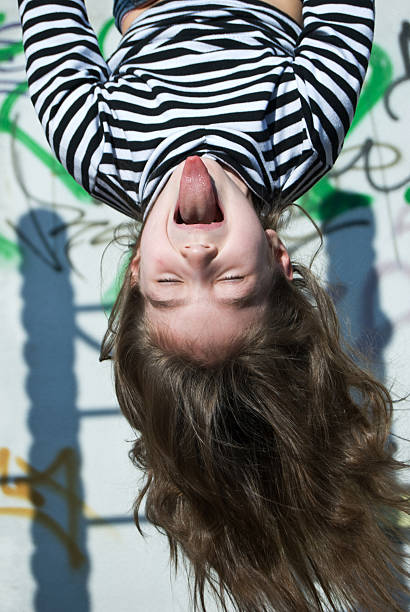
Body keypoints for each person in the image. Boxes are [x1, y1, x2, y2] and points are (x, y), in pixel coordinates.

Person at [18, 0, 410, 610]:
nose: (197, 252)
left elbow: (50, 22)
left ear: (136, 272)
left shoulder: (98, 152)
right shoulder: (302, 138)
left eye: (169, 286)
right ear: (279, 256)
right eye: (230, 280)